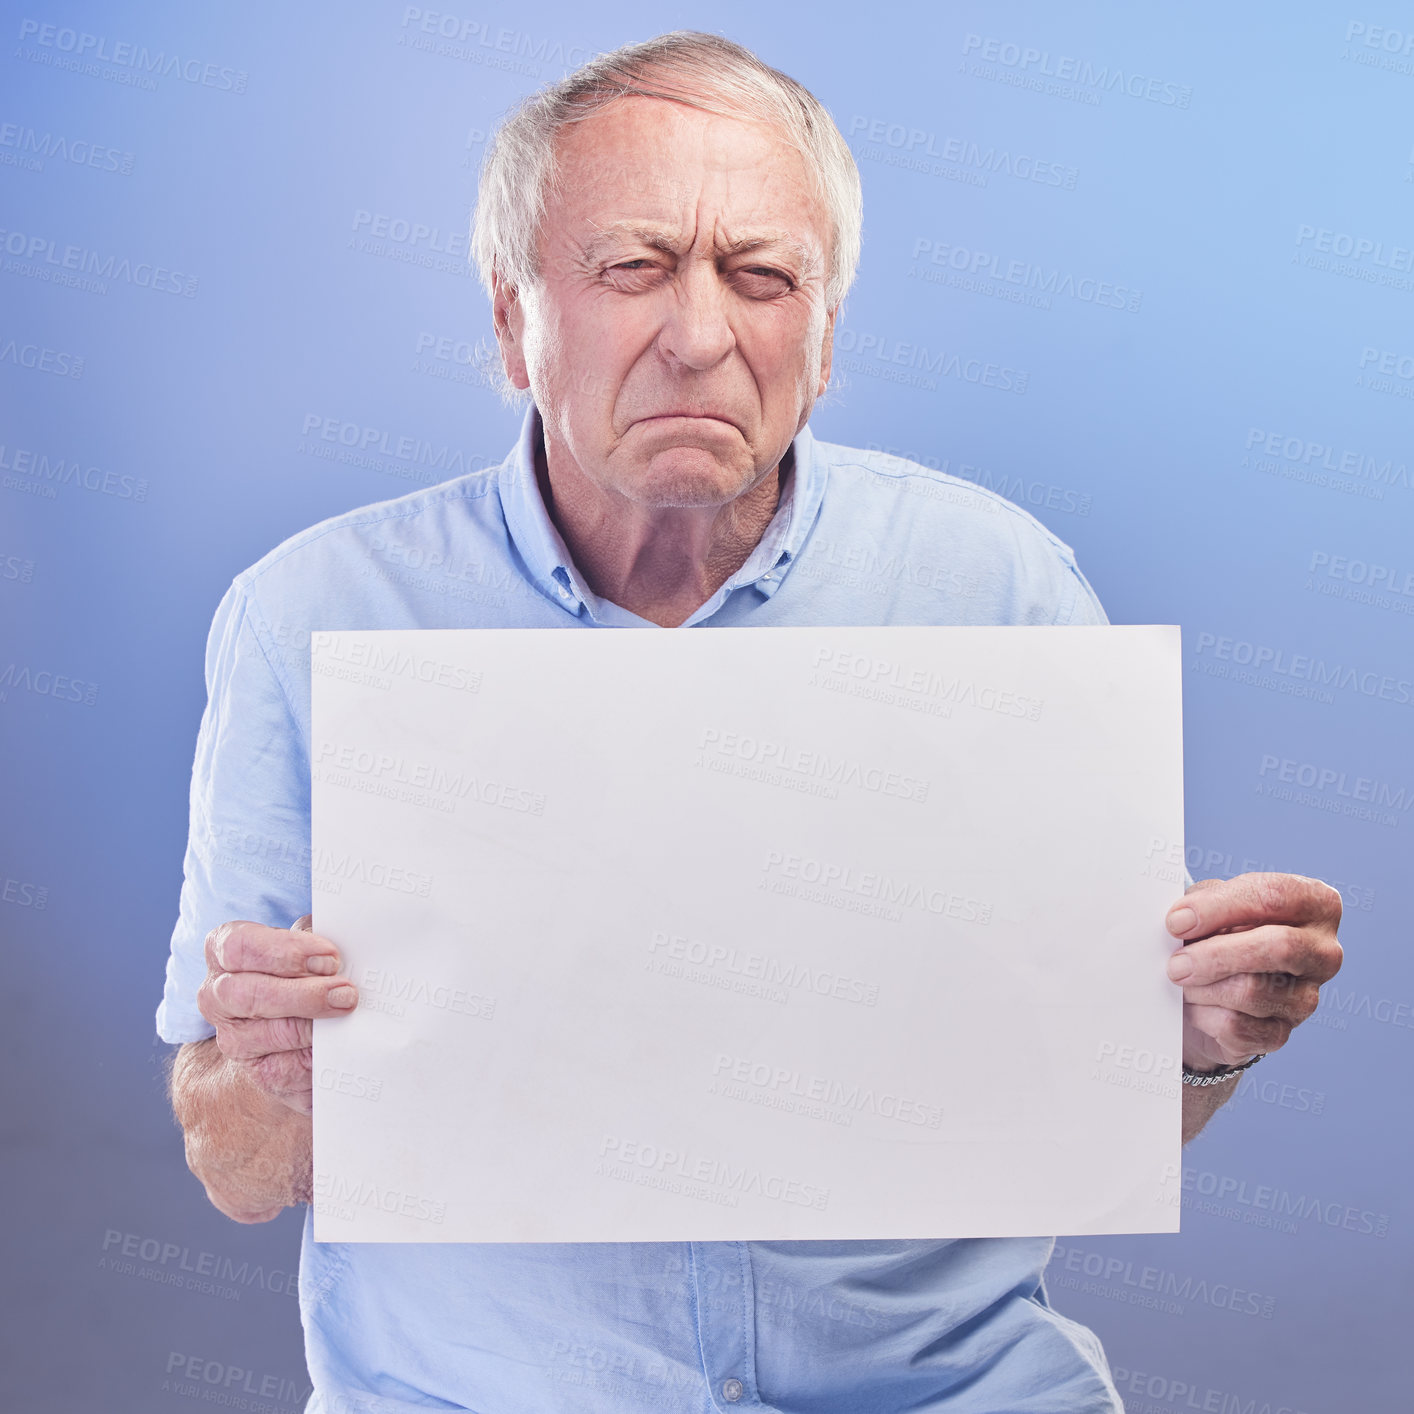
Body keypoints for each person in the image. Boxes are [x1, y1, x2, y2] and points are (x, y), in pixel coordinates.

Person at [158, 32, 1343, 1414]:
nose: (701, 333)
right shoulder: (314, 611)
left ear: (826, 337)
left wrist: (1197, 1039)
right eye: (633, 267)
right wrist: (281, 1072)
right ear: (508, 316)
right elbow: (235, 1170)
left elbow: (1110, 1117)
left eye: (762, 276)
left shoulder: (997, 585)